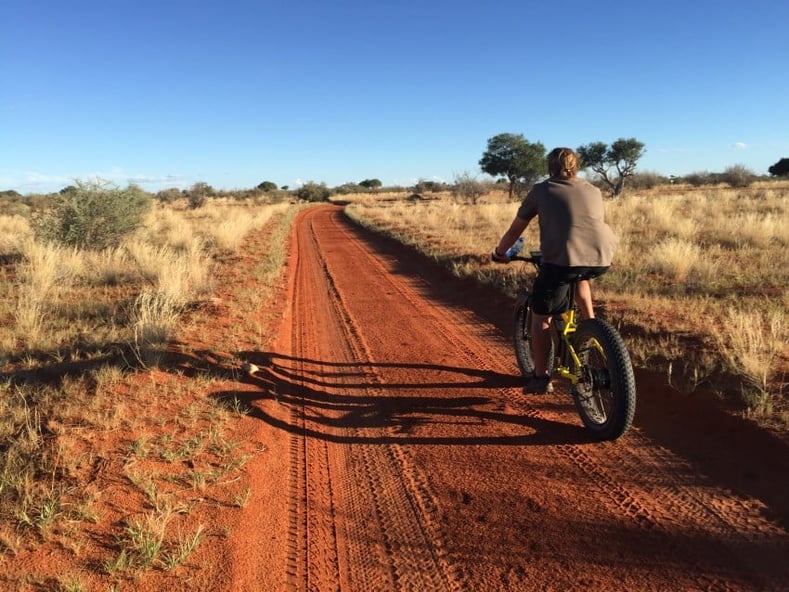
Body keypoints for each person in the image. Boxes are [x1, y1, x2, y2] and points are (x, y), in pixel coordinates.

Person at [492, 147, 617, 394]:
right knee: (580, 276)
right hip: (601, 255)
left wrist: (499, 253)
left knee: (541, 317)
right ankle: (591, 330)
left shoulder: (542, 190)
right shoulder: (593, 190)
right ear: (576, 166)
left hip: (560, 261)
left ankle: (540, 376)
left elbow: (516, 229)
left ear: (549, 167)